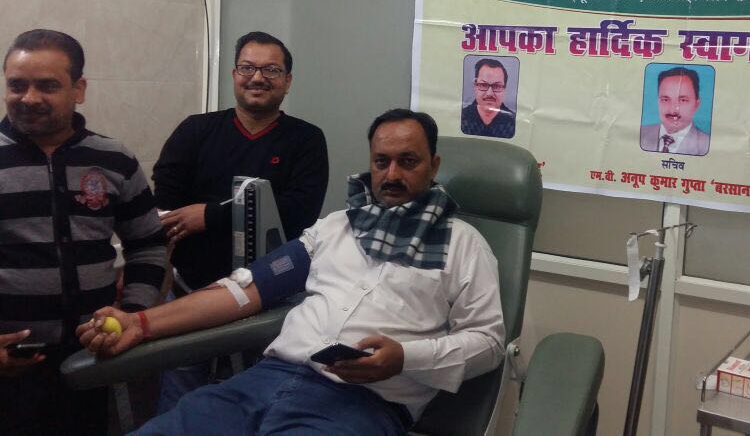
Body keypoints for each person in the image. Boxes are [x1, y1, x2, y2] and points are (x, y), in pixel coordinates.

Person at [79, 109, 505, 435]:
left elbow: (488, 342)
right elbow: (245, 290)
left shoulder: (463, 244)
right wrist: (141, 323)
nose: (392, 174)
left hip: (362, 404)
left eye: (408, 161)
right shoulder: (336, 227)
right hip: (262, 382)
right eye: (381, 161)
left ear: (433, 165)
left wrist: (404, 358)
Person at [0, 29, 167, 434]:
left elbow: (148, 245)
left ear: (79, 89)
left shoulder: (114, 159)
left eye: (47, 86)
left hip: (93, 357)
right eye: (17, 85)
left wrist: (131, 315)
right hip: (8, 364)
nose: (29, 98)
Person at [151, 31, 329, 409]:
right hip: (191, 292)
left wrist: (209, 215)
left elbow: (300, 211)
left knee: (258, 401)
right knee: (180, 399)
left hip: (271, 299)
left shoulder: (307, 140)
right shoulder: (195, 130)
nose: (257, 77)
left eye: (271, 70)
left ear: (287, 81)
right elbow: (166, 203)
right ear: (234, 75)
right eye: (247, 68)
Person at [639, 67, 710, 155]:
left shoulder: (707, 145)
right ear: (658, 102)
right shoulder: (639, 134)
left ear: (696, 104)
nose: (673, 110)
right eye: (665, 99)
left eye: (683, 100)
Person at [460, 58, 516, 138]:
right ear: (475, 86)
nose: (489, 93)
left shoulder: (514, 122)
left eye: (497, 86)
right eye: (483, 85)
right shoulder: (461, 117)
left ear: (504, 89)